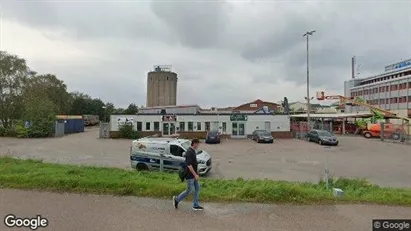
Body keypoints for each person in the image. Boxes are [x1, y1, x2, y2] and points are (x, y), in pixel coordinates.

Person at [173, 138, 203, 211]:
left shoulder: (193, 151)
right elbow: (189, 165)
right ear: (194, 143)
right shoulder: (189, 152)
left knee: (197, 188)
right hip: (190, 175)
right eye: (198, 143)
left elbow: (194, 163)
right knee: (189, 190)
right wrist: (195, 175)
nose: (198, 145)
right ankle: (177, 199)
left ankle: (195, 205)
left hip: (194, 175)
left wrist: (197, 173)